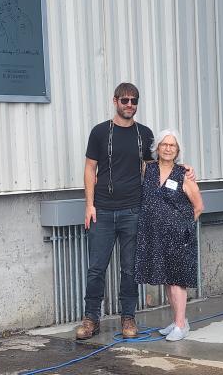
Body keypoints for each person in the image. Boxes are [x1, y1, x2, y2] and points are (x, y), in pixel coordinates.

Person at [75, 84, 194, 340]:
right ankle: (90, 319)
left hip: (134, 211)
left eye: (134, 101)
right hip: (103, 212)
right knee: (96, 268)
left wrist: (184, 169)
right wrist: (89, 205)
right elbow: (89, 169)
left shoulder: (144, 134)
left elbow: (158, 164)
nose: (129, 105)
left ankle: (128, 318)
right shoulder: (99, 132)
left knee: (129, 269)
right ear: (115, 101)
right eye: (125, 100)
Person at [135, 129, 204, 341]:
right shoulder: (148, 169)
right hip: (155, 237)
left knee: (177, 282)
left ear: (177, 150)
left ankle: (181, 326)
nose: (167, 148)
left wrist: (182, 227)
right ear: (157, 148)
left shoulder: (183, 174)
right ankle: (176, 321)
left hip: (178, 237)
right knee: (167, 280)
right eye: (164, 144)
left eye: (172, 145)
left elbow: (199, 206)